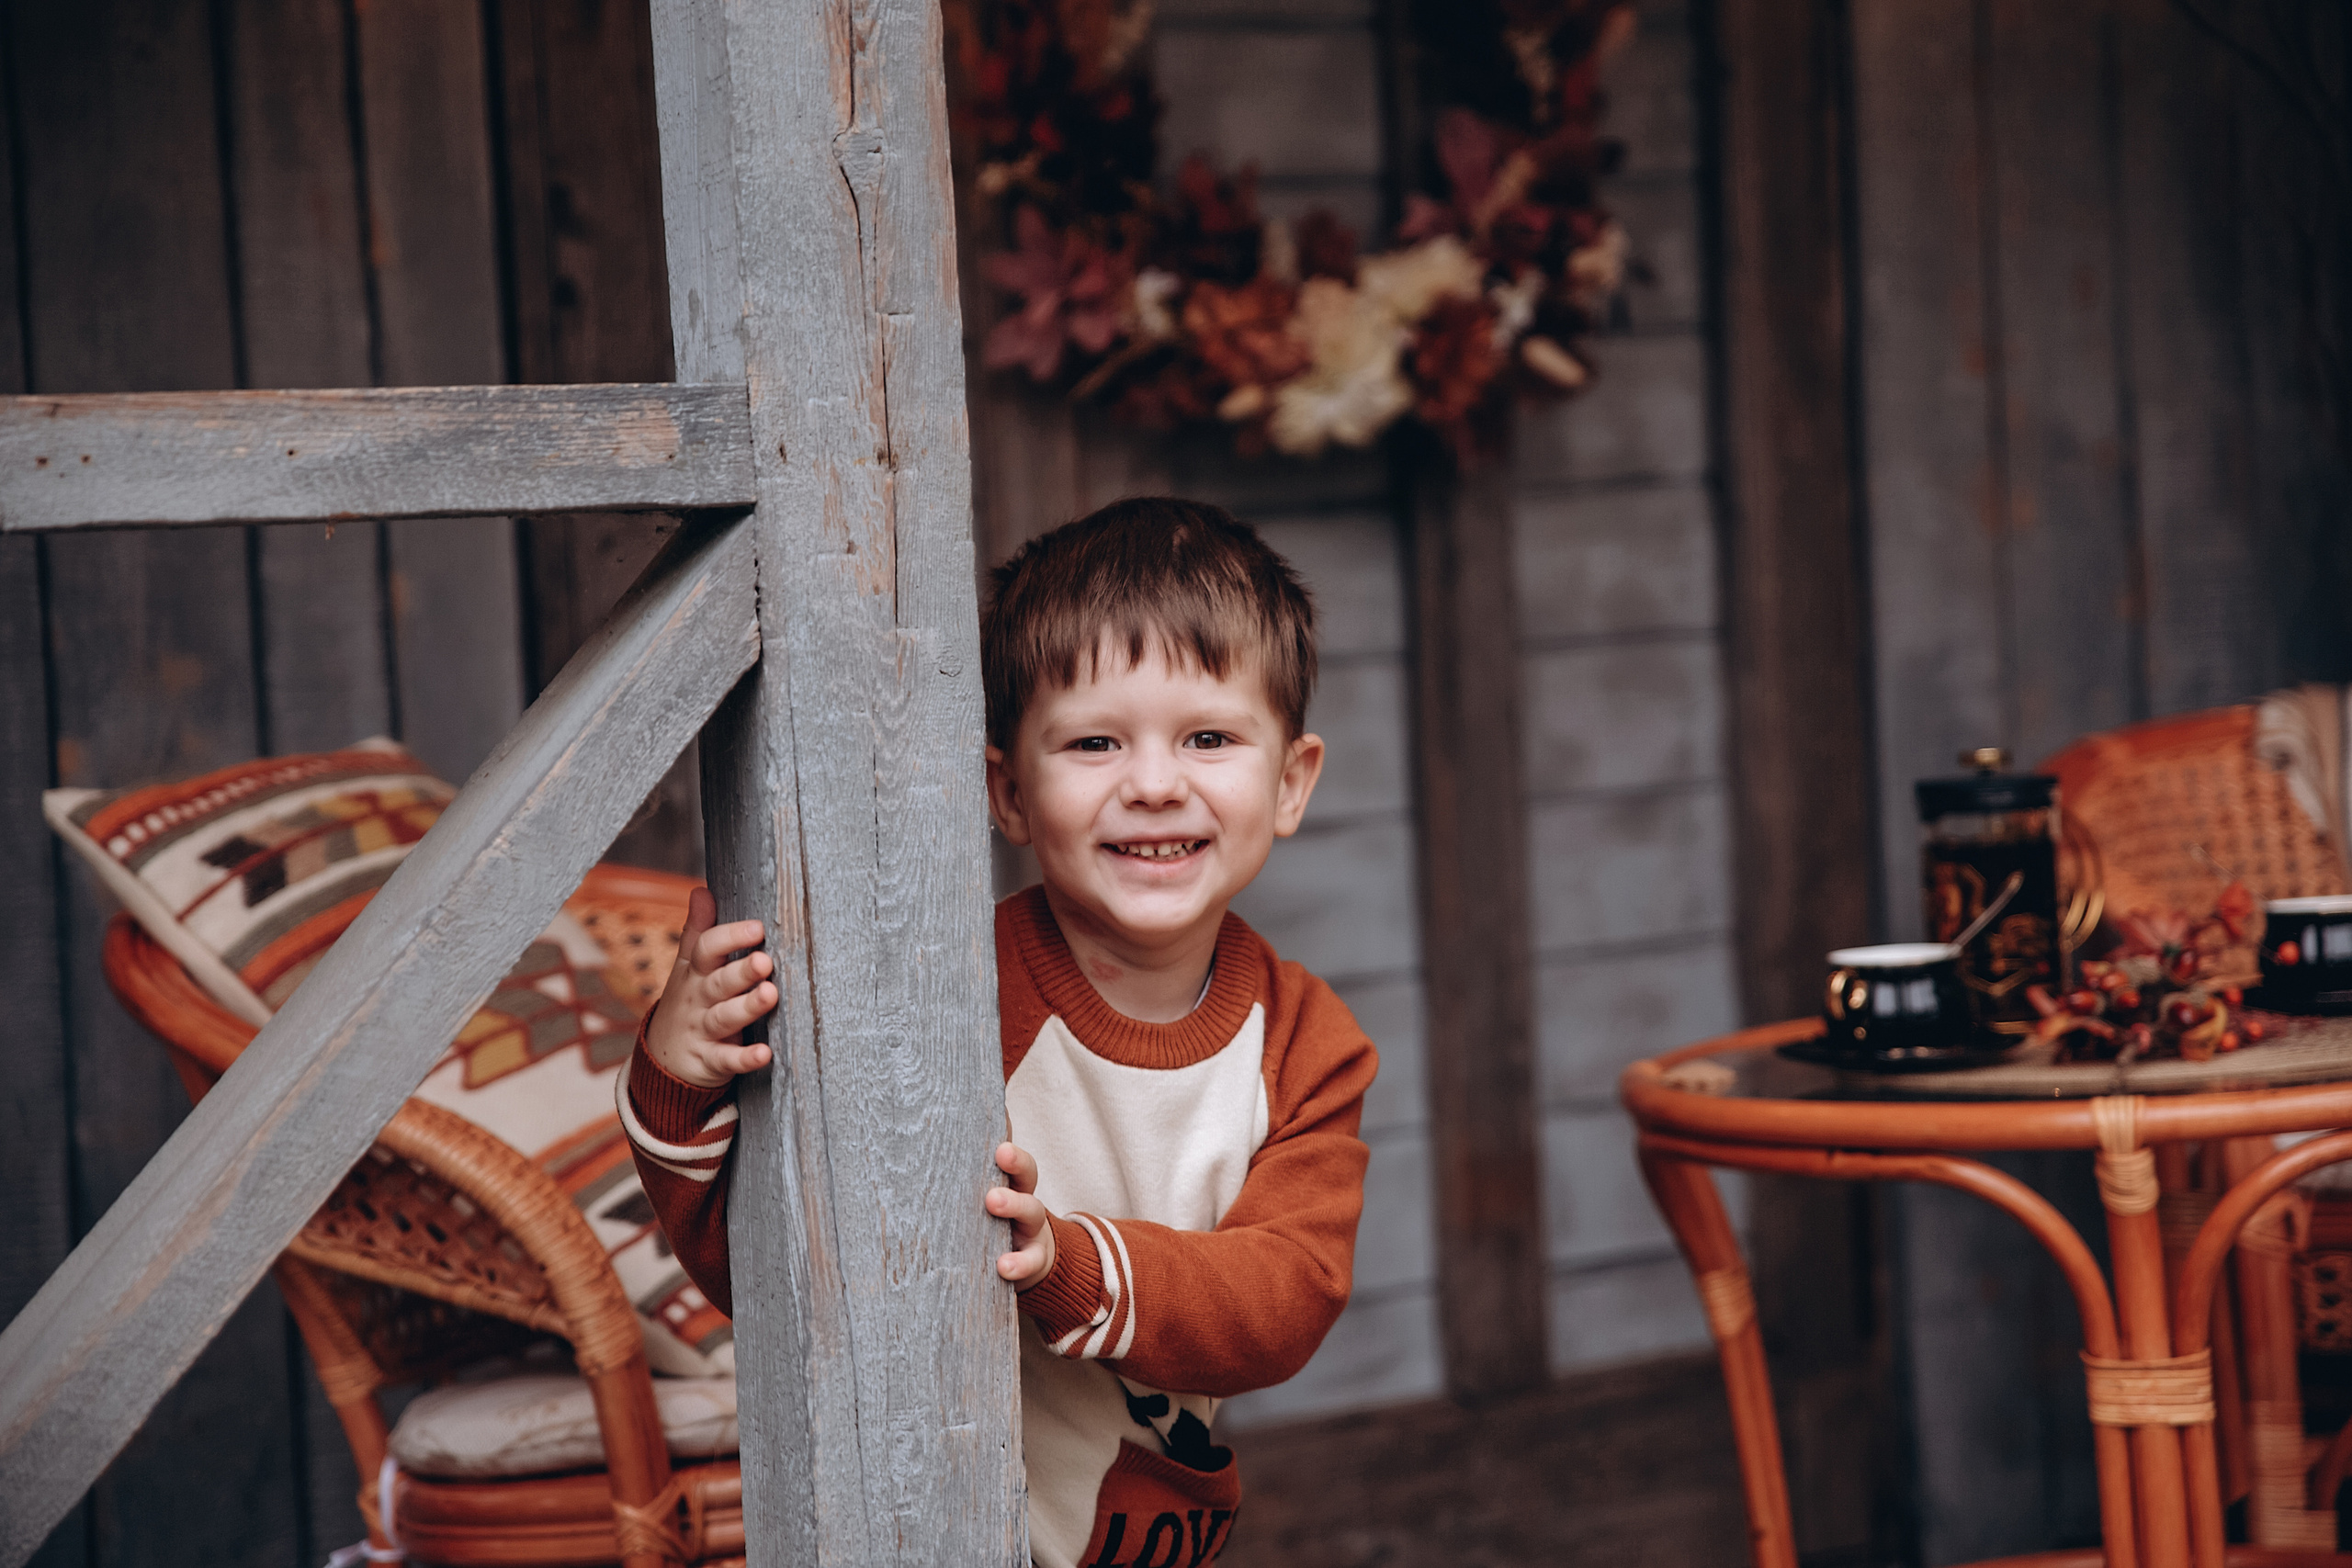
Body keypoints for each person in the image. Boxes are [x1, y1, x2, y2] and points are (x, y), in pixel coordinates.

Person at [616, 496, 1378, 1567]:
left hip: (1138, 1533)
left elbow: (1286, 1295)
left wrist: (1072, 1265)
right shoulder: (935, 999)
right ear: (1008, 792)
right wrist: (679, 1079)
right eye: (1094, 742)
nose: (1154, 784)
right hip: (895, 1521)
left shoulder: (1303, 1042)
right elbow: (772, 1271)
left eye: (1208, 738)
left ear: (1290, 782)